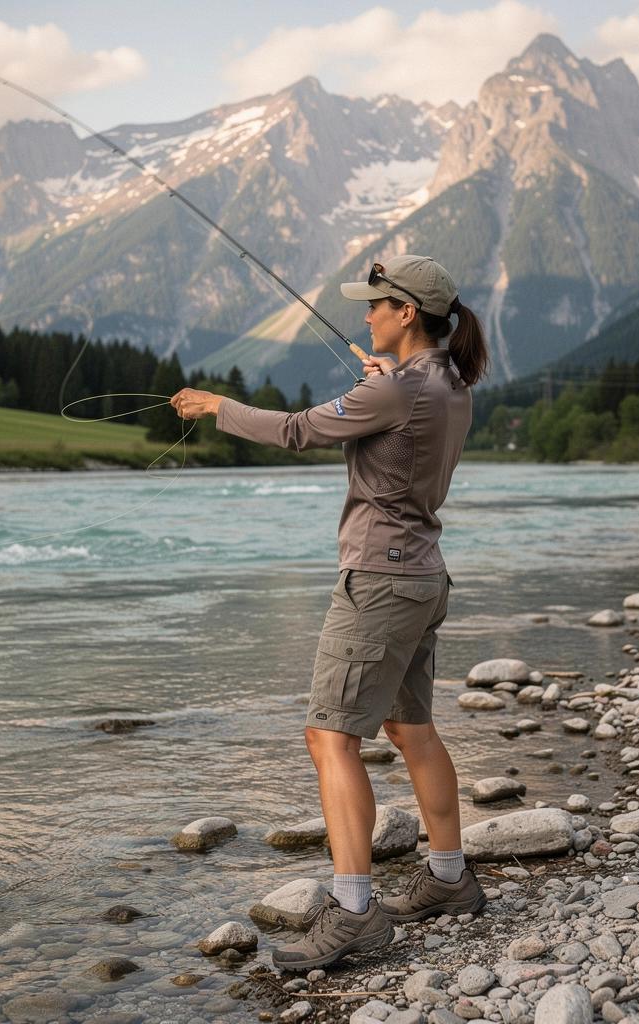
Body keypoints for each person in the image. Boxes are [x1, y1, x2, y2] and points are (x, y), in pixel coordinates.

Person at [170, 254, 490, 972]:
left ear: (408, 314)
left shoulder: (398, 391)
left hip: (378, 582)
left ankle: (354, 914)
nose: (367, 316)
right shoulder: (448, 381)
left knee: (329, 737)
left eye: (377, 305)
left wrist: (215, 406)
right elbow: (402, 408)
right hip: (423, 576)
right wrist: (382, 382)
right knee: (412, 728)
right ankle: (448, 879)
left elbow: (294, 431)